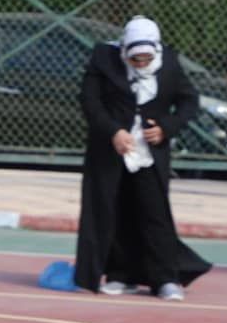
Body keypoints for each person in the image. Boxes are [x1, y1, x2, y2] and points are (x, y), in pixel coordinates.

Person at [73, 17, 211, 301]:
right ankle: (119, 275)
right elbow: (90, 101)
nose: (140, 63)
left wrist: (166, 128)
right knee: (114, 211)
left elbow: (189, 101)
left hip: (150, 153)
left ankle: (166, 278)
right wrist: (113, 131)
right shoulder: (103, 59)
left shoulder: (170, 63)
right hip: (111, 151)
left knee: (154, 213)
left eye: (146, 58)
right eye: (135, 58)